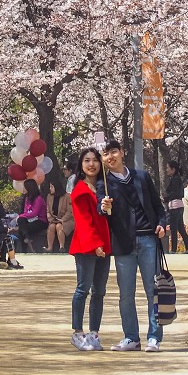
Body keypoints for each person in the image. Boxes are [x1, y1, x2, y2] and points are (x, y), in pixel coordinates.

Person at [98, 139, 167, 353]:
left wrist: (161, 224)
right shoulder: (105, 183)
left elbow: (158, 206)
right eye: (106, 154)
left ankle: (154, 337)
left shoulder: (142, 177)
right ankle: (131, 337)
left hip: (148, 239)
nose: (110, 157)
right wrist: (103, 207)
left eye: (114, 152)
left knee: (152, 291)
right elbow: (102, 211)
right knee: (126, 293)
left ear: (122, 153)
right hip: (123, 243)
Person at [68, 147, 112, 351]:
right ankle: (77, 332)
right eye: (87, 161)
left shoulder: (106, 188)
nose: (91, 164)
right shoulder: (80, 190)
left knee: (100, 291)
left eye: (95, 160)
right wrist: (96, 245)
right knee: (83, 288)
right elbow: (84, 222)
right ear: (81, 165)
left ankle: (94, 333)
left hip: (105, 245)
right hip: (87, 245)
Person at [163, 160, 188, 254]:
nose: (166, 170)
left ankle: (173, 249)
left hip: (174, 206)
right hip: (179, 205)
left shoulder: (175, 179)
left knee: (174, 228)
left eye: (168, 168)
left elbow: (174, 193)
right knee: (180, 228)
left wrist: (165, 199)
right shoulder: (177, 178)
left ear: (173, 169)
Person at [17, 179, 48, 252]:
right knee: (20, 221)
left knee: (23, 229)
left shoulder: (38, 199)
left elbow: (34, 213)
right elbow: (25, 210)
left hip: (40, 220)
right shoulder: (27, 198)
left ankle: (27, 242)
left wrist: (23, 215)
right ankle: (26, 240)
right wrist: (22, 216)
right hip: (29, 219)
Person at [44, 182, 74, 253]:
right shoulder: (49, 196)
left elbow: (70, 211)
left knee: (59, 226)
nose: (50, 189)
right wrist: (51, 219)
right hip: (54, 219)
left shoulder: (67, 196)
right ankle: (49, 248)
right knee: (51, 226)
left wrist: (62, 220)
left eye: (51, 187)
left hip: (67, 219)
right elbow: (48, 210)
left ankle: (62, 247)